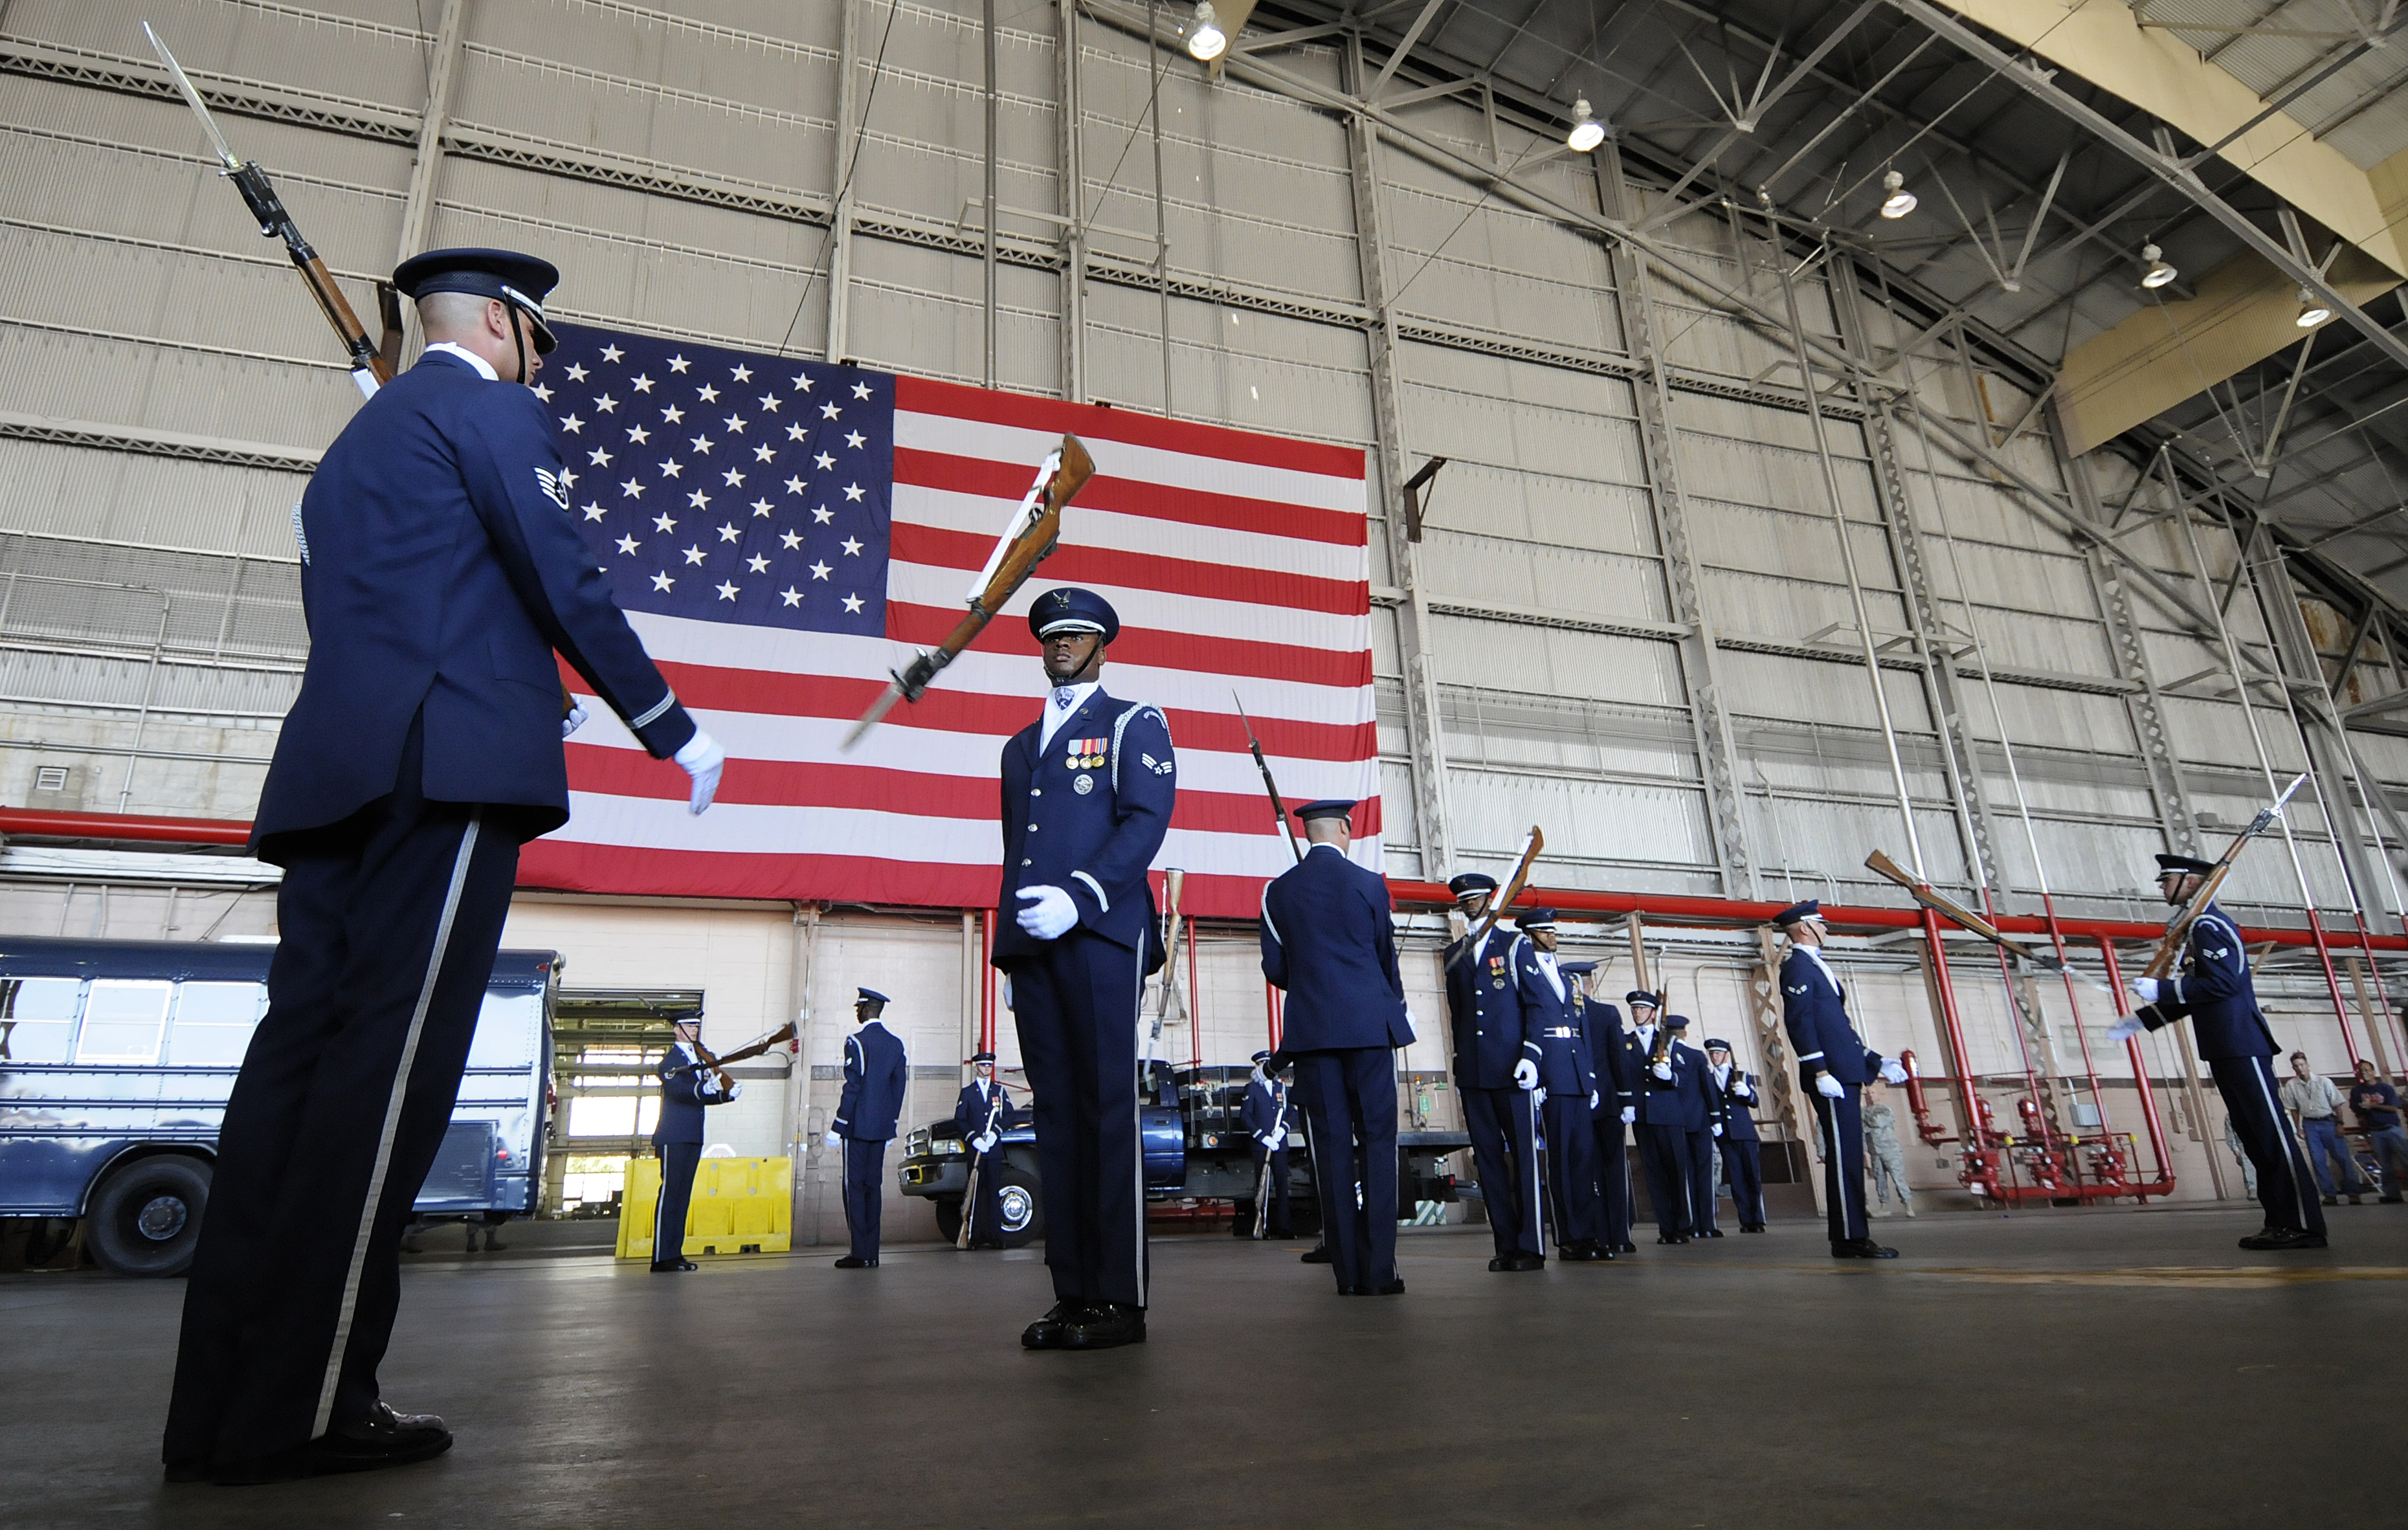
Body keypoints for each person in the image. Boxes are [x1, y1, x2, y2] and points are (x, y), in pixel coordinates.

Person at [162, 248, 723, 1487]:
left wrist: (502, 680)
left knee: (293, 1082)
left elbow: (363, 609)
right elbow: (555, 564)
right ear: (496, 321)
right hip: (450, 773)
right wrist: (665, 720)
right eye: (539, 338)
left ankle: (217, 1411)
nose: (546, 366)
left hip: (335, 777)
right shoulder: (489, 408)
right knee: (389, 1081)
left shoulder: (351, 452)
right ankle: (311, 1403)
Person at [993, 587, 1176, 1351]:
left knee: (1107, 1111)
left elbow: (1146, 820)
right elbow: (1018, 847)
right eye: (1052, 637)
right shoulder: (1019, 745)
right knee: (1058, 1120)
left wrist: (1084, 897)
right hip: (1037, 945)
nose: (1061, 645)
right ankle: (1073, 1290)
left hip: (1100, 935)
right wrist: (1014, 946)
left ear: (1103, 647)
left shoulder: (1135, 722)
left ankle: (1120, 1299)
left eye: (1077, 635)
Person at [2112, 854, 2325, 1249]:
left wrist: (2162, 990)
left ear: (2191, 882)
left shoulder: (2210, 925)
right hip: (2226, 1047)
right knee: (2253, 1136)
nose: (2161, 887)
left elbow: (2224, 984)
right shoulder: (2196, 929)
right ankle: (2280, 1222)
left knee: (2270, 1134)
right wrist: (2142, 1020)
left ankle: (2302, 1226)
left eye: (2167, 880)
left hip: (2242, 1044)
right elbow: (2199, 993)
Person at [1260, 799, 1415, 1294]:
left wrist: (1313, 976)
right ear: (1346, 829)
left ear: (1307, 835)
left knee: (1330, 1153)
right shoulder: (1371, 885)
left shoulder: (1276, 893)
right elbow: (1382, 958)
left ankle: (1347, 1275)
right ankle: (1380, 1270)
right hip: (1371, 1028)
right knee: (1377, 1147)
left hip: (1313, 1033)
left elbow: (1276, 970)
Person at [1776, 900, 1907, 1259]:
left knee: (1850, 1153)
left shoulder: (1817, 966)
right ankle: (1849, 1237)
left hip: (1844, 1072)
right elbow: (1800, 1024)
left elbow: (1839, 1029)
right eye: (1822, 923)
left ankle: (1851, 1234)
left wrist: (1876, 1060)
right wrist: (1819, 1071)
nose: (1827, 928)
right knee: (1844, 1157)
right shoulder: (1798, 968)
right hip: (1830, 1077)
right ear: (1805, 927)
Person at [1442, 872, 1546, 1272]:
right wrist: (1458, 1064)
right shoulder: (1454, 953)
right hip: (1474, 1073)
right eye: (1465, 900)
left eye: (1477, 899)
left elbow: (1536, 1005)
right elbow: (1459, 1015)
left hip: (1512, 1070)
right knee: (1487, 1162)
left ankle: (1531, 1245)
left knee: (1524, 1158)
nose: (1471, 905)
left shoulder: (1515, 945)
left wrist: (1531, 1055)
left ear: (1490, 900)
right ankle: (1505, 1244)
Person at [1513, 911, 1608, 1261]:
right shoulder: (1525, 970)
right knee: (1562, 1160)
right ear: (1531, 935)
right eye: (1545, 932)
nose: (1553, 936)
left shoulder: (1567, 975)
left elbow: (1581, 1027)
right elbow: (1527, 1021)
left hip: (1577, 1073)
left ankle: (1588, 1233)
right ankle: (1569, 1236)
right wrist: (1535, 1067)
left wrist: (1590, 1076)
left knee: (1583, 1158)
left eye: (1553, 931)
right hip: (1551, 1072)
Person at [650, 1015, 742, 1271]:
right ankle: (660, 1258)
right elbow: (681, 1092)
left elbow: (701, 1097)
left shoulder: (698, 1059)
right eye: (690, 1026)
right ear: (677, 1030)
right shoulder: (671, 1062)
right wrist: (706, 1088)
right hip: (673, 1135)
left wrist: (724, 1095)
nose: (695, 1029)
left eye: (697, 1026)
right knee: (670, 1196)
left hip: (692, 1135)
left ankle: (673, 1252)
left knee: (682, 1198)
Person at [825, 988, 908, 1268]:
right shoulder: (896, 1044)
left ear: (865, 1009)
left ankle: (859, 1252)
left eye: (858, 1008)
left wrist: (839, 1125)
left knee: (855, 1188)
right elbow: (898, 1089)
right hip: (882, 1130)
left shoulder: (857, 1042)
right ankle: (872, 1253)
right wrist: (891, 1125)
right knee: (874, 1187)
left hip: (857, 1128)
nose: (856, 1012)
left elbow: (854, 1086)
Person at [1569, 965, 1637, 1253]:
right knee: (1614, 1169)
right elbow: (1618, 1058)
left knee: (1587, 1170)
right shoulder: (1607, 1013)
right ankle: (1620, 1235)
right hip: (1609, 1103)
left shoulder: (1565, 1014)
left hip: (1579, 1103)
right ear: (1592, 984)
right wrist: (1626, 1098)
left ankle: (1596, 1234)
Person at [1624, 993, 1700, 1245]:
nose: (1637, 1013)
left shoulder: (1667, 1041)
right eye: (1634, 1009)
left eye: (1643, 1009)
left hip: (1667, 1115)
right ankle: (1666, 1227)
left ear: (1654, 1013)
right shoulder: (1626, 1042)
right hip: (1643, 1116)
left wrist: (1671, 1076)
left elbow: (1682, 1074)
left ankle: (1682, 1225)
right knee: (1654, 1173)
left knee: (1676, 1170)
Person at [2279, 1052, 2369, 1206]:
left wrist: (2340, 1124)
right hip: (2310, 1125)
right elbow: (2293, 1109)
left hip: (2329, 1122)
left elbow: (2337, 1104)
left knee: (2342, 1158)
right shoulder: (2292, 1086)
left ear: (2307, 1065)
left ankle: (2353, 1193)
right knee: (2318, 1160)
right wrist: (2298, 1128)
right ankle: (2329, 1194)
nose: (2299, 1068)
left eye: (2302, 1065)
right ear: (2293, 1068)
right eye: (2296, 1066)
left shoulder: (2323, 1082)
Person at [953, 1051, 1018, 1247]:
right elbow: (960, 1119)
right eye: (983, 1066)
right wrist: (973, 1138)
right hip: (976, 1152)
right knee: (976, 1194)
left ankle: (996, 1237)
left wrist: (995, 1133)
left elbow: (1009, 1116)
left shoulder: (998, 1092)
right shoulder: (968, 1092)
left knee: (993, 1192)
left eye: (989, 1066)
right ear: (976, 1067)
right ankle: (975, 1237)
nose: (986, 1069)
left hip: (993, 1150)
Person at [1706, 1039, 1768, 1232]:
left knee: (1752, 1177)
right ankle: (1746, 1220)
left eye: (1718, 1053)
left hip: (1744, 1133)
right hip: (1725, 1136)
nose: (1714, 1057)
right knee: (1736, 1179)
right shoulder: (1708, 1078)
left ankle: (1758, 1219)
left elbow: (1755, 1102)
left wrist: (1748, 1093)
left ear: (1726, 1055)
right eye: (1712, 1054)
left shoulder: (1741, 1075)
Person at [1673, 1015, 1725, 1237]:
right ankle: (1708, 1225)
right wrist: (1715, 1118)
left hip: (1676, 1123)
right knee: (1705, 1174)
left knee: (1686, 1176)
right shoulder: (1695, 1056)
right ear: (1685, 1033)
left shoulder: (1661, 1058)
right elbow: (1707, 1088)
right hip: (1701, 1121)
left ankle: (1692, 1225)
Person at [1238, 1050, 1295, 1240]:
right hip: (1262, 1145)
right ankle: (1264, 1226)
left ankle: (1284, 1228)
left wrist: (1282, 1132)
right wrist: (1262, 1137)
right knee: (1263, 1187)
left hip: (1279, 1144)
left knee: (1282, 1186)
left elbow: (1291, 1112)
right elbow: (1246, 1116)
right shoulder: (1252, 1089)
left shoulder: (1281, 1087)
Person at [2347, 1060, 2406, 1203]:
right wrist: (2363, 1109)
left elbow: (2394, 1107)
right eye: (2361, 1070)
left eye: (2367, 1070)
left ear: (2374, 1072)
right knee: (2385, 1166)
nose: (2364, 1073)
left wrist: (2372, 1105)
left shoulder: (2385, 1088)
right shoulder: (2357, 1091)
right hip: (2375, 1131)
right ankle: (2393, 1195)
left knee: (2406, 1159)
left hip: (2392, 1129)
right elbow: (2356, 1109)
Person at [1862, 1080, 1914, 1217]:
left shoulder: (1886, 1109)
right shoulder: (1863, 1112)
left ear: (1878, 1094)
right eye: (1867, 1094)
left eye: (1873, 1092)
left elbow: (1877, 1122)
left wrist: (1868, 1124)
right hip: (1874, 1151)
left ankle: (1908, 1204)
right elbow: (1862, 1130)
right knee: (1880, 1179)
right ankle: (1884, 1206)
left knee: (1898, 1177)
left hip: (1890, 1149)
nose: (1870, 1096)